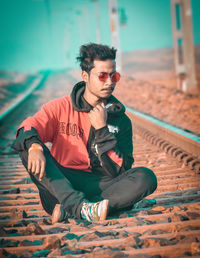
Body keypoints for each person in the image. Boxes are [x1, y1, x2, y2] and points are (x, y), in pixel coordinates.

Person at [13, 43, 157, 223]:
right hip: (62, 187)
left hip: (103, 186)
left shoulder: (121, 120)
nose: (109, 82)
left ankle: (77, 210)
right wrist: (34, 147)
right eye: (102, 76)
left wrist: (102, 131)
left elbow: (121, 170)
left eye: (114, 76)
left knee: (146, 177)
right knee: (27, 145)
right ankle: (79, 207)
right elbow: (28, 126)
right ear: (85, 76)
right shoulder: (60, 107)